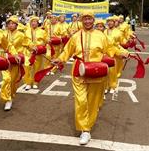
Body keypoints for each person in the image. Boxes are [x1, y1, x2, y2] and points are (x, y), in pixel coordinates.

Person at [53, 11, 129, 145]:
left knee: (93, 102)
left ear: (93, 20)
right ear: (82, 20)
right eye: (85, 19)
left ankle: (87, 129)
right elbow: (66, 51)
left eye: (90, 19)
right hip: (79, 71)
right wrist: (60, 59)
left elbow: (111, 48)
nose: (87, 21)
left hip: (96, 71)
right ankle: (85, 129)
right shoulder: (76, 36)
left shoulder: (101, 36)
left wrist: (122, 53)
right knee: (81, 101)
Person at [0, 15, 29, 111]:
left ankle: (11, 96)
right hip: (5, 60)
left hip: (16, 60)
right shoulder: (3, 34)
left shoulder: (21, 35)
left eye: (13, 24)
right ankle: (7, 98)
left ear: (17, 25)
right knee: (6, 79)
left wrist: (34, 48)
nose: (11, 25)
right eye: (9, 23)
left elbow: (27, 43)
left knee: (13, 81)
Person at [24, 15, 48, 90]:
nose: (33, 23)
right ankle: (28, 83)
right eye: (32, 22)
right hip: (28, 52)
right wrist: (30, 45)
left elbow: (45, 40)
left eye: (35, 22)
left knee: (37, 67)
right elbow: (25, 41)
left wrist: (46, 42)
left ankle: (35, 82)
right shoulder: (27, 31)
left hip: (38, 52)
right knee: (27, 67)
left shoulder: (42, 31)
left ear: (38, 23)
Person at [105, 15, 126, 94]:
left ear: (114, 23)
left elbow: (122, 42)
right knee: (106, 70)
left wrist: (124, 51)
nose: (110, 23)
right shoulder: (104, 31)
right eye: (108, 21)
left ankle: (113, 85)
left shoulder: (118, 32)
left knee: (113, 70)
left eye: (111, 21)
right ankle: (106, 86)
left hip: (115, 53)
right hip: (106, 53)